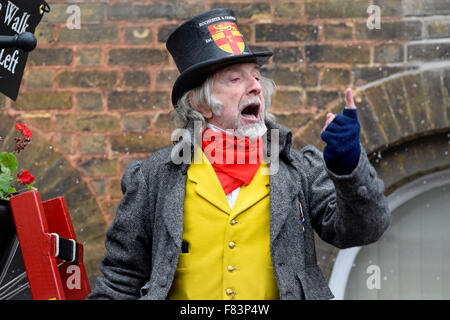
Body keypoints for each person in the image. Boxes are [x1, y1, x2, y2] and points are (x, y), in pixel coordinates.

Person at [86, 8, 390, 300]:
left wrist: (348, 164)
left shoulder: (298, 169)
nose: (255, 87)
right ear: (200, 104)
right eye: (235, 78)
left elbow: (365, 229)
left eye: (256, 76)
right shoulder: (154, 178)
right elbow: (121, 279)